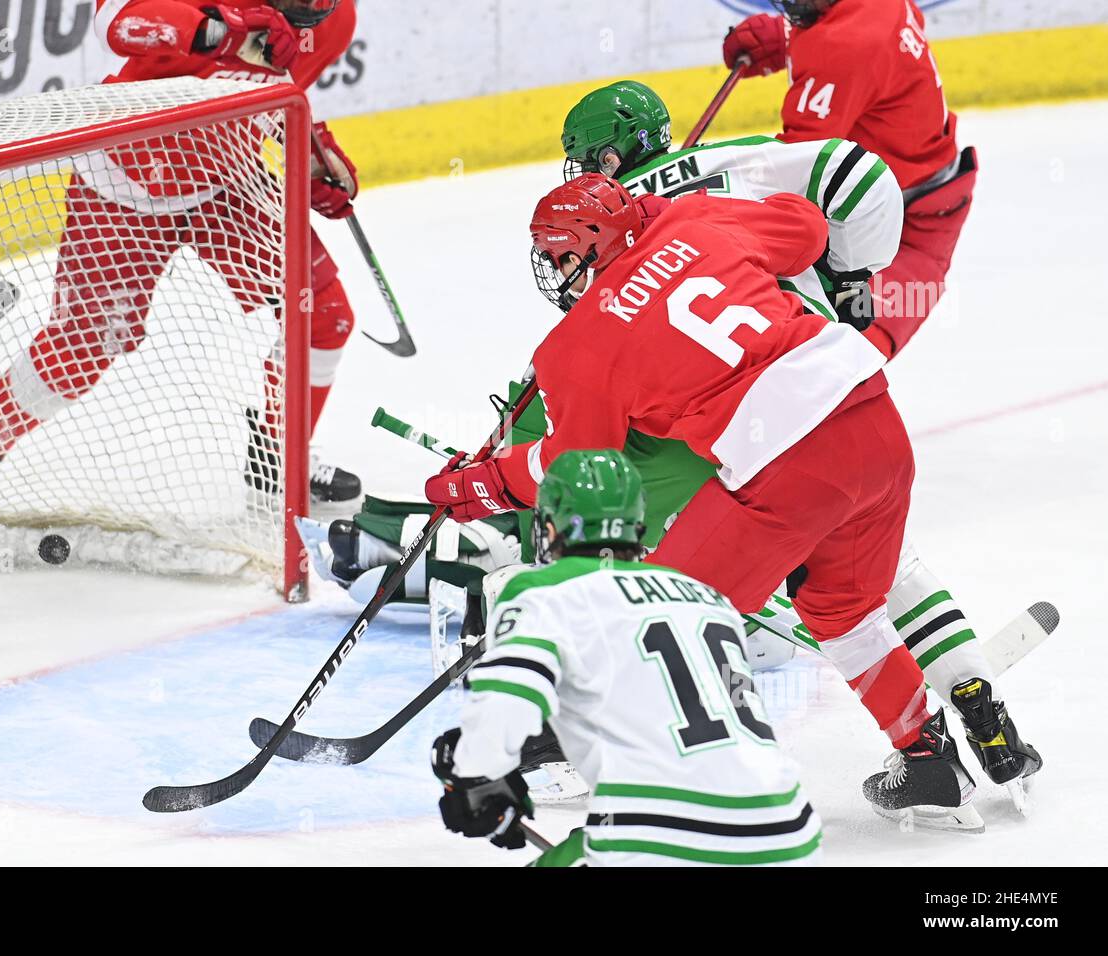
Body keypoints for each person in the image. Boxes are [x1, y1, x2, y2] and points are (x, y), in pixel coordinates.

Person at [426, 173, 1032, 830]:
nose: (553, 272)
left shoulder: (576, 346)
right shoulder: (696, 222)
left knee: (652, 611)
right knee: (842, 612)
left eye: (556, 256)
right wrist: (675, 213)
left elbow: (581, 468)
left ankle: (571, 750)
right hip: (874, 423)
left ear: (582, 250)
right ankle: (928, 760)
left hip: (786, 466)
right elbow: (806, 229)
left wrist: (476, 483)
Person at [0, 0, 362, 510]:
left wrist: (314, 158)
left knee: (324, 316)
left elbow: (273, 95)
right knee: (82, 348)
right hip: (124, 178)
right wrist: (220, 33)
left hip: (225, 180)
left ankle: (282, 455)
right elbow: (116, 19)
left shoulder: (334, 21)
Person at [431, 448, 822, 866]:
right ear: (638, 527)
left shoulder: (543, 592)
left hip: (659, 835)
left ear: (548, 527)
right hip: (787, 831)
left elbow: (502, 710)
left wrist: (474, 774)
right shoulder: (707, 595)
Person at [723, 0, 978, 356]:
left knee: (845, 363)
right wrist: (790, 36)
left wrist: (706, 190)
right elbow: (867, 52)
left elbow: (796, 167)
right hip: (894, 205)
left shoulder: (840, 46)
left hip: (912, 230)